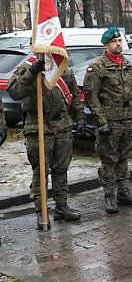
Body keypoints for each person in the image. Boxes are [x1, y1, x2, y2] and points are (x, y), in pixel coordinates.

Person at [7, 54, 85, 226]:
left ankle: (61, 207)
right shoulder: (26, 67)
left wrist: (80, 119)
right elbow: (14, 92)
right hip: (38, 127)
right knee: (41, 171)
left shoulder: (62, 67)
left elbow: (75, 93)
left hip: (62, 126)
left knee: (61, 169)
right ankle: (41, 212)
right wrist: (31, 73)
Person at [84, 27, 132, 213]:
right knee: (109, 160)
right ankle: (110, 196)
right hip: (110, 121)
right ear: (106, 45)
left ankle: (123, 192)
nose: (118, 44)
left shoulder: (126, 65)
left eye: (119, 40)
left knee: (124, 158)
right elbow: (92, 97)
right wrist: (102, 122)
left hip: (127, 119)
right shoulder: (97, 67)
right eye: (114, 41)